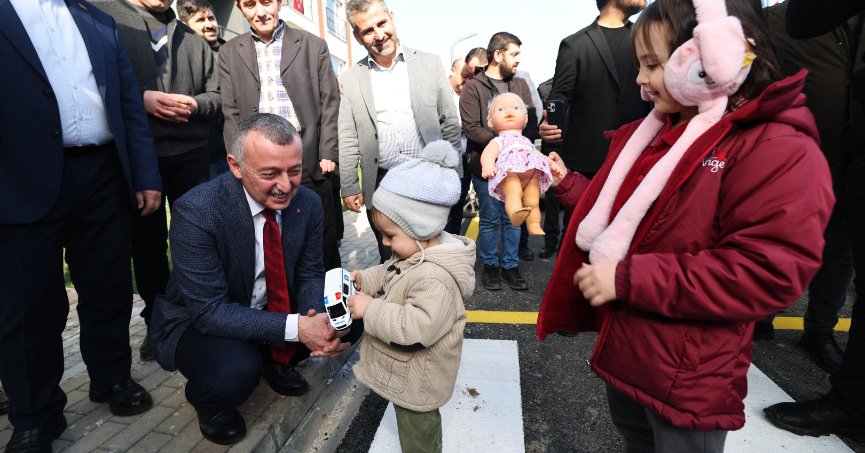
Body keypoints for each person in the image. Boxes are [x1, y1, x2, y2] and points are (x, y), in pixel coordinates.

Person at [536, 0, 834, 450]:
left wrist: (628, 279)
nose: (640, 79)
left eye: (652, 64)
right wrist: (571, 185)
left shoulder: (773, 147)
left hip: (688, 376)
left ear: (714, 58)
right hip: (632, 355)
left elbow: (767, 271)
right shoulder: (660, 131)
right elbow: (628, 216)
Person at [0, 1, 162, 450]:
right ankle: (35, 415)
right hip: (17, 180)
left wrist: (146, 175)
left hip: (102, 174)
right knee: (28, 304)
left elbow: (129, 104)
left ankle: (111, 379)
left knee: (108, 288)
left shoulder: (99, 21)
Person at [149, 114, 351, 445]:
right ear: (236, 166)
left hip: (272, 307)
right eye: (270, 173)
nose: (286, 186)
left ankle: (273, 359)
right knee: (235, 373)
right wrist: (297, 328)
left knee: (345, 321)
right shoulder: (197, 212)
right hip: (202, 319)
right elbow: (210, 311)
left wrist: (315, 321)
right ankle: (210, 401)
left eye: (295, 170)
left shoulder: (309, 204)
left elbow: (310, 273)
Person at [93, 0, 221, 362]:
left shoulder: (192, 38)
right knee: (146, 245)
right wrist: (138, 99)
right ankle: (157, 321)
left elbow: (217, 95)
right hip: (138, 153)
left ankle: (195, 314)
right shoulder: (106, 17)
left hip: (191, 152)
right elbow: (90, 79)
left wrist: (195, 105)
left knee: (196, 240)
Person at [763, 0, 865, 441]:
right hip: (804, 155)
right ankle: (760, 314)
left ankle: (820, 331)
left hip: (854, 152)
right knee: (781, 240)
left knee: (841, 254)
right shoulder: (778, 19)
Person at [346, 140, 475, 453]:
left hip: (420, 381)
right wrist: (363, 280)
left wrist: (370, 309)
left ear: (423, 229)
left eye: (391, 236)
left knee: (419, 436)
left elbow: (415, 327)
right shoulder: (416, 252)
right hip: (410, 374)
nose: (387, 244)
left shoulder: (434, 277)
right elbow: (392, 270)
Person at [219, 0, 342, 270]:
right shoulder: (228, 52)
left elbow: (330, 103)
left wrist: (328, 152)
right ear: (240, 9)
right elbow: (230, 112)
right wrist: (240, 163)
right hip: (259, 166)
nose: (261, 12)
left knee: (321, 240)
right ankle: (285, 308)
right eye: (251, 5)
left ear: (280, 2)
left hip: (309, 160)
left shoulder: (313, 45)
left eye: (266, 2)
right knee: (271, 241)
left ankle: (334, 306)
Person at [338, 0, 461, 263]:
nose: (379, 35)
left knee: (436, 258)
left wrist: (455, 173)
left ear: (392, 17)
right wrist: (349, 185)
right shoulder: (350, 79)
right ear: (358, 37)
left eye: (382, 23)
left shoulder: (429, 64)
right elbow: (348, 136)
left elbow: (449, 122)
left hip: (430, 179)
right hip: (383, 186)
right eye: (368, 30)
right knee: (392, 260)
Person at [539, 0, 649, 260]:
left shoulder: (645, 38)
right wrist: (549, 132)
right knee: (577, 244)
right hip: (585, 165)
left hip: (636, 160)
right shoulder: (575, 45)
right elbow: (559, 99)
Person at [460, 31, 538, 292]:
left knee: (513, 218)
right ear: (497, 55)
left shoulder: (521, 85)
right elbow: (471, 128)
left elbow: (531, 121)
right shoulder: (473, 87)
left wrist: (518, 149)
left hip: (517, 169)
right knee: (492, 219)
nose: (517, 61)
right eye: (514, 54)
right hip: (486, 166)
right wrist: (504, 143)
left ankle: (511, 266)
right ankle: (491, 266)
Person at [480, 93, 552, 235]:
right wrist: (488, 165)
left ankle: (534, 225)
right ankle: (515, 214)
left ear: (525, 119)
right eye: (500, 109)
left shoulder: (525, 141)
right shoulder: (498, 141)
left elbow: (536, 154)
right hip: (509, 172)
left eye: (516, 108)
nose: (509, 112)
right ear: (490, 121)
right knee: (514, 192)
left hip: (531, 172)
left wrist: (549, 162)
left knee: (533, 201)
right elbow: (488, 153)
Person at [177, 0, 230, 179]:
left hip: (235, 145)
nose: (209, 25)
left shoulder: (232, 53)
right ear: (184, 25)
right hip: (202, 149)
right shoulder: (177, 57)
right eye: (200, 20)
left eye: (211, 18)